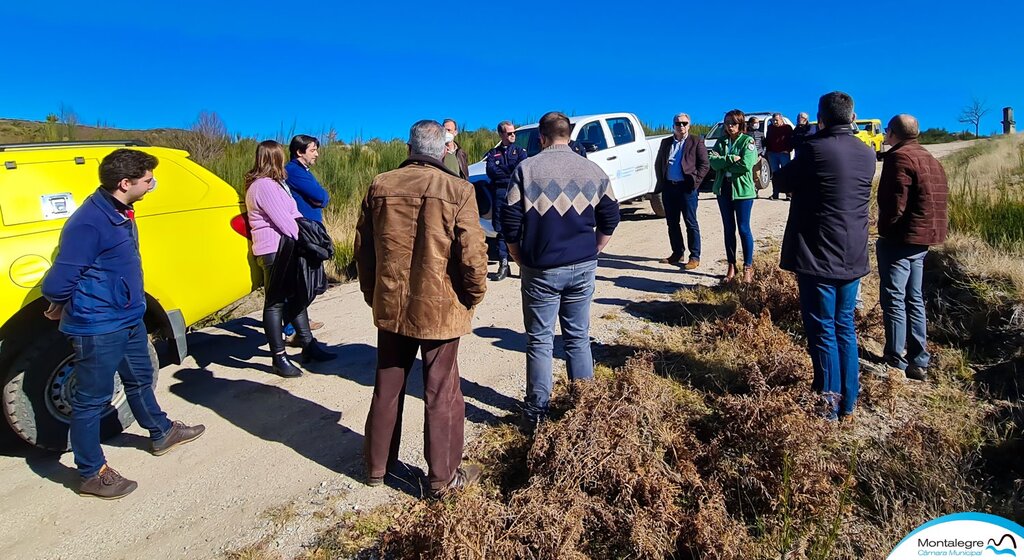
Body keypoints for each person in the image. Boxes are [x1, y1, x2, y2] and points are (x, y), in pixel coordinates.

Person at [41, 149, 205, 499]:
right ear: (124, 183)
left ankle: (160, 431)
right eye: (148, 180)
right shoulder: (89, 223)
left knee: (140, 377)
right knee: (91, 400)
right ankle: (90, 472)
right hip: (99, 325)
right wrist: (61, 303)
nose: (153, 185)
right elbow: (57, 283)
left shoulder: (119, 210)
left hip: (128, 317)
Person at [355, 120, 488, 497]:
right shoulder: (458, 189)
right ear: (444, 149)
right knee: (441, 391)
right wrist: (473, 296)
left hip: (392, 304)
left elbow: (363, 249)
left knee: (387, 384)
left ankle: (376, 467)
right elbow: (474, 256)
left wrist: (373, 293)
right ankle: (442, 479)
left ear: (409, 147)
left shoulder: (381, 184)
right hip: (440, 308)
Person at [501, 111, 620, 432]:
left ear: (541, 138)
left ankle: (536, 414)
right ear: (569, 135)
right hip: (582, 266)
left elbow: (510, 222)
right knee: (578, 337)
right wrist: (596, 247)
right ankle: (585, 409)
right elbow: (611, 215)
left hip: (540, 268)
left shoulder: (527, 169)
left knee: (539, 341)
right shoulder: (593, 170)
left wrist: (517, 256)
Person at [773, 91, 876, 420]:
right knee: (844, 326)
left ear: (821, 118)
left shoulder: (814, 149)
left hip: (819, 254)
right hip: (853, 252)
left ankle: (827, 405)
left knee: (822, 329)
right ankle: (849, 402)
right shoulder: (866, 152)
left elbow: (781, 179)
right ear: (852, 117)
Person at [244, 141, 335, 378]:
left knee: (297, 297)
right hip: (273, 250)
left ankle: (308, 345)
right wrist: (306, 239)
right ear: (274, 158)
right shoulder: (263, 186)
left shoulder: (277, 184)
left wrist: (307, 232)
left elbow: (293, 213)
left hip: (286, 248)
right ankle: (279, 357)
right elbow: (283, 220)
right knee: (275, 303)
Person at [876, 114, 949, 381]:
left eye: (886, 131)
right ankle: (919, 359)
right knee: (914, 298)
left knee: (894, 298)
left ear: (893, 133)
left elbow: (894, 201)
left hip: (901, 239)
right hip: (925, 237)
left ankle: (895, 357)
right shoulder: (931, 158)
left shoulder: (899, 157)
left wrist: (886, 229)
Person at [283, 135, 328, 341]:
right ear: (300, 152)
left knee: (308, 278)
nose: (316, 154)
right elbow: (320, 196)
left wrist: (320, 198)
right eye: (312, 150)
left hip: (310, 228)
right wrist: (319, 198)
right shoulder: (294, 171)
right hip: (305, 231)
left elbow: (321, 197)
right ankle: (291, 327)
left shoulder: (302, 171)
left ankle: (298, 320)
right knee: (305, 278)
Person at [653, 112, 710, 269]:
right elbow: (658, 164)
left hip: (687, 189)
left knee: (690, 222)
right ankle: (677, 253)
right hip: (669, 188)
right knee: (672, 223)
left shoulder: (696, 141)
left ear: (689, 125)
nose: (681, 126)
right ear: (674, 126)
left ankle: (694, 256)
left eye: (684, 123)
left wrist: (695, 183)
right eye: (678, 123)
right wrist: (662, 182)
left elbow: (704, 165)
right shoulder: (666, 143)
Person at [708, 109, 758, 283]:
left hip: (743, 191)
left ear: (740, 124)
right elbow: (713, 163)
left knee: (743, 228)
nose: (730, 126)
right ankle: (731, 265)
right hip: (724, 189)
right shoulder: (721, 142)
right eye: (727, 123)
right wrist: (730, 160)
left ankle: (748, 267)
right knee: (729, 229)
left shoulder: (748, 141)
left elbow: (746, 164)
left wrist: (724, 163)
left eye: (734, 123)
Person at [484, 121, 528, 281]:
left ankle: (523, 266)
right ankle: (503, 265)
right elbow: (491, 171)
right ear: (501, 134)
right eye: (509, 133)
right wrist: (509, 171)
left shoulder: (520, 151)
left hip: (518, 192)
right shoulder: (493, 153)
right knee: (501, 230)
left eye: (513, 132)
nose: (513, 135)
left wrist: (505, 171)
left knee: (522, 228)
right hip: (500, 193)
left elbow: (521, 170)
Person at [765, 113, 794, 200]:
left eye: (776, 120)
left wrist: (788, 149)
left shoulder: (787, 128)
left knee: (786, 173)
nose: (775, 122)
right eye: (773, 120)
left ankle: (788, 194)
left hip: (784, 153)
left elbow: (791, 139)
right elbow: (768, 139)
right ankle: (775, 194)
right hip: (773, 154)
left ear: (781, 119)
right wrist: (768, 151)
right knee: (775, 174)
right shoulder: (770, 128)